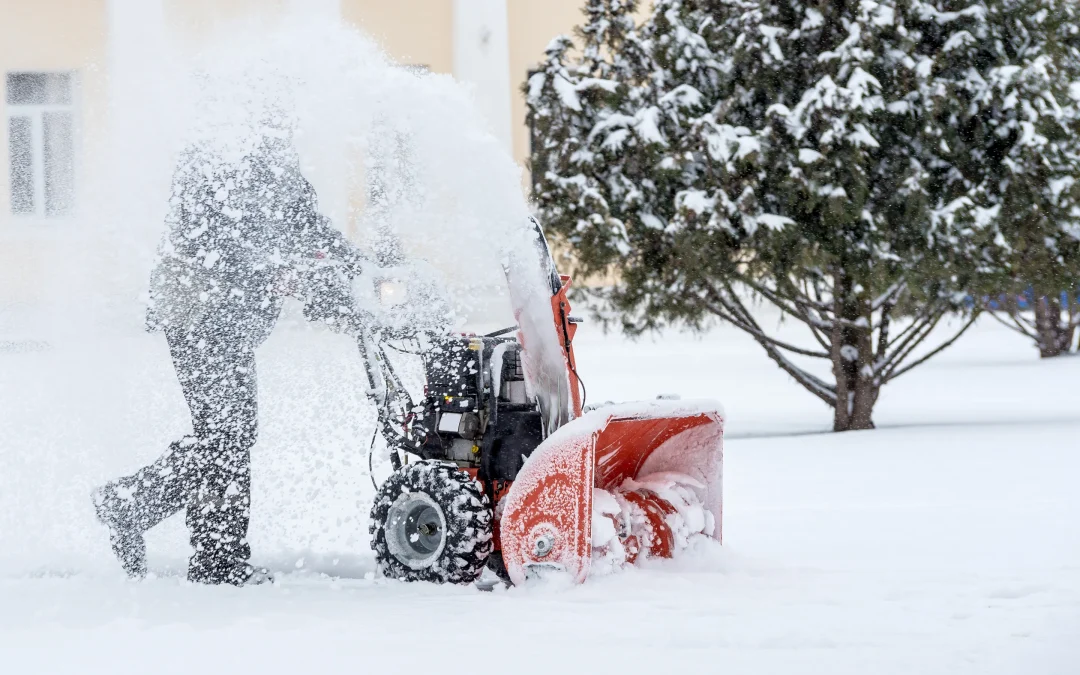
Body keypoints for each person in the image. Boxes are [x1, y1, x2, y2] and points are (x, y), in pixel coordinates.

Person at [92, 114, 367, 586]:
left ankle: (175, 531)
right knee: (227, 436)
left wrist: (359, 270)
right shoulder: (211, 159)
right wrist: (283, 267)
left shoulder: (277, 168)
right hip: (198, 316)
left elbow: (306, 226)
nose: (281, 127)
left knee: (227, 436)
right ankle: (163, 525)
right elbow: (221, 237)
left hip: (232, 323)